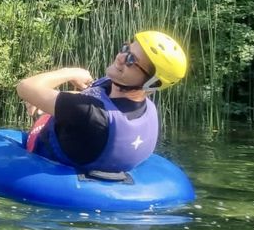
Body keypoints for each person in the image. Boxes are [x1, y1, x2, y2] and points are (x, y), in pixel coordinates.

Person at [16, 31, 187, 175]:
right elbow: (94, 103)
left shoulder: (88, 113)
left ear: (151, 83)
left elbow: (25, 87)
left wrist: (70, 72)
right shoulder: (146, 108)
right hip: (89, 145)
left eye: (131, 60)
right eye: (126, 49)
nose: (120, 57)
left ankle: (38, 114)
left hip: (50, 158)